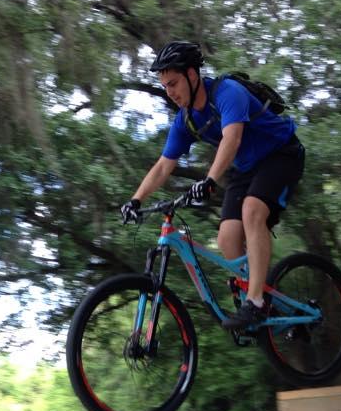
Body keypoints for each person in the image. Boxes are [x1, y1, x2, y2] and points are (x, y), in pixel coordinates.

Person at [120, 41, 305, 330]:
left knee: (252, 211)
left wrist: (209, 181)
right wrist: (136, 200)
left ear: (192, 75)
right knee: (226, 239)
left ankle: (255, 302)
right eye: (165, 86)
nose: (170, 93)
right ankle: (259, 297)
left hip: (282, 154)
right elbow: (163, 166)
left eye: (174, 83)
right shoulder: (185, 121)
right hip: (247, 168)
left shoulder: (228, 93)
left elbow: (233, 139)